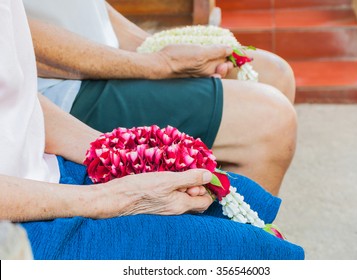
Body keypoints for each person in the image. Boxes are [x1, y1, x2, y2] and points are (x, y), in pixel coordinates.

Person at [0, 0, 304, 260]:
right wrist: (107, 198)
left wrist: (118, 152)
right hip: (20, 221)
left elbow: (17, 87)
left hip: (40, 166)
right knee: (261, 254)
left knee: (247, 201)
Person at [21, 0, 298, 196]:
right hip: (55, 93)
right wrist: (158, 64)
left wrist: (151, 46)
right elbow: (16, 35)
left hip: (101, 58)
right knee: (269, 121)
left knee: (274, 73)